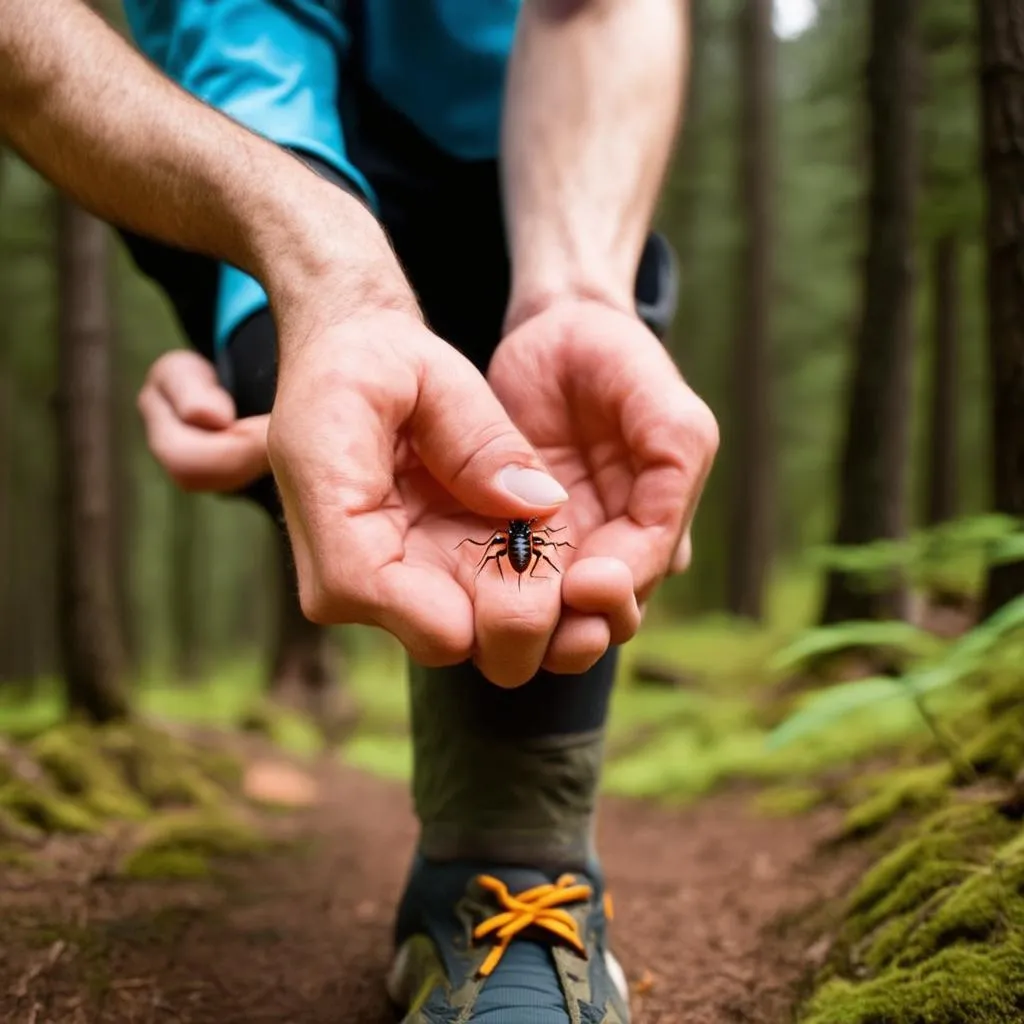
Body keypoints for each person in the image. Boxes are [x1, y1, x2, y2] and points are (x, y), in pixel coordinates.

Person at [1, 1, 718, 1020]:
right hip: (207, 119)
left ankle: (508, 854)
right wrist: (323, 274)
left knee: (551, 392)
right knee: (316, 395)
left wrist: (580, 291)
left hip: (504, 114)